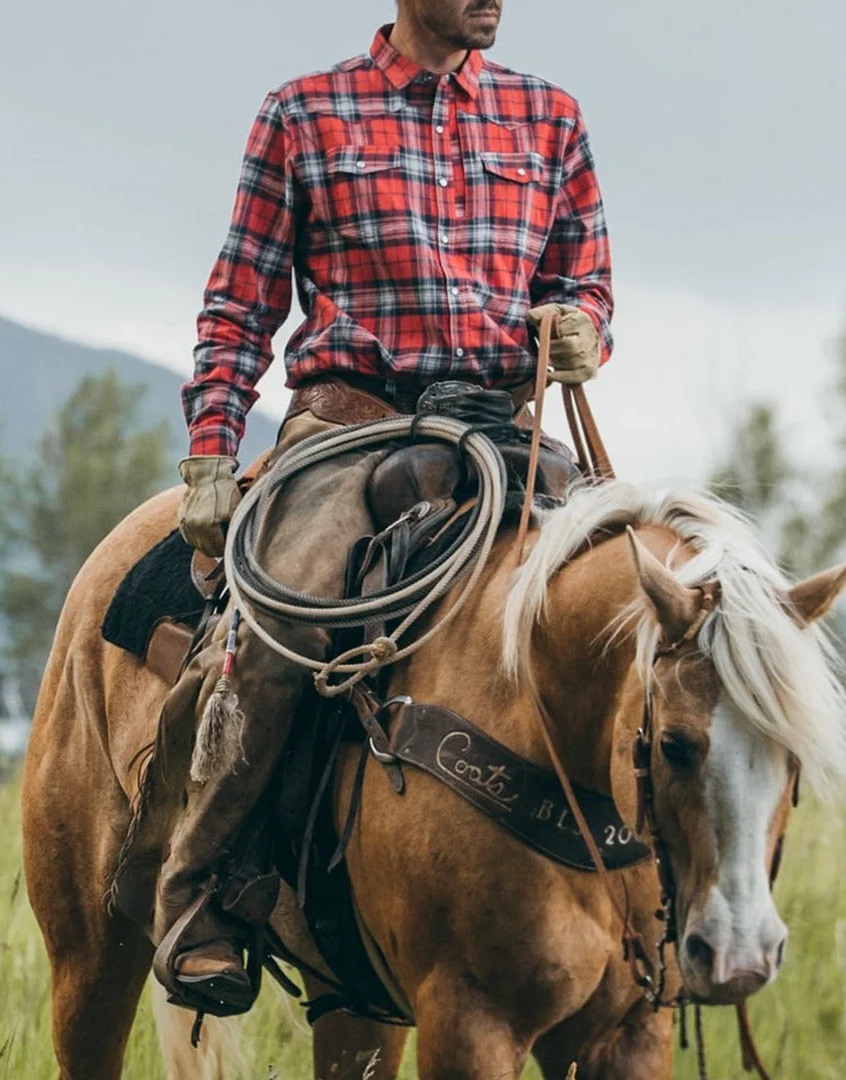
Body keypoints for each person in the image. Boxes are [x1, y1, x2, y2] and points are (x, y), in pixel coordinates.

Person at [157, 0, 615, 1015]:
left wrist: (583, 329)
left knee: (635, 603)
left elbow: (584, 279)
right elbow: (238, 304)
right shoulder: (303, 112)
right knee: (282, 624)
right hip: (351, 429)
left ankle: (658, 901)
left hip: (503, 433)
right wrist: (211, 456)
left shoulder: (552, 116)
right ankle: (205, 897)